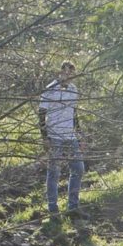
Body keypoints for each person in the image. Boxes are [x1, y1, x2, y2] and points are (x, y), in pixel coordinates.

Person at [38, 60, 88, 221]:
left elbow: (74, 114)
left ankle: (72, 207)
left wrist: (79, 135)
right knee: (54, 172)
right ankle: (53, 210)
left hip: (70, 135)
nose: (68, 75)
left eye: (71, 73)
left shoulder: (74, 89)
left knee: (78, 168)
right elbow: (41, 114)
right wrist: (44, 137)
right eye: (65, 72)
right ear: (60, 72)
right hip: (54, 135)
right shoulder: (50, 89)